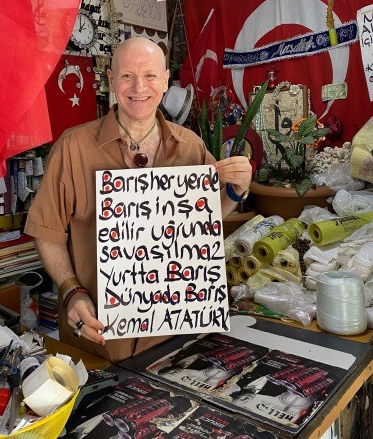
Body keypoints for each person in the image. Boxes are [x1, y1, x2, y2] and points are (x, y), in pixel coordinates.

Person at [24, 37, 252, 363]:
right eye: (127, 75)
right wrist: (71, 291)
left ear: (165, 80)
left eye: (150, 75)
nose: (139, 87)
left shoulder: (191, 146)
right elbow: (47, 232)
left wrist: (235, 190)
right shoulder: (73, 147)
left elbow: (206, 219)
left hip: (175, 337)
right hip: (100, 339)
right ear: (111, 79)